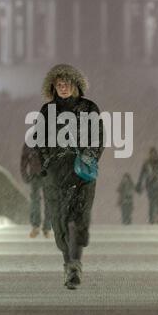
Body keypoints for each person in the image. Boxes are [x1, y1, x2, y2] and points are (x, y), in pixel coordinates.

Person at [35, 64, 104, 290]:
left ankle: (75, 265)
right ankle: (69, 264)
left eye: (67, 83)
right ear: (53, 86)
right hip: (56, 173)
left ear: (76, 84)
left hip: (81, 171)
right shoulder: (47, 110)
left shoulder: (89, 107)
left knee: (79, 218)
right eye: (59, 84)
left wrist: (90, 156)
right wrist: (46, 161)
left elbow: (98, 137)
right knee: (60, 221)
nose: (63, 87)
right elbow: (40, 139)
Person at [20, 144, 52, 238]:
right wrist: (24, 174)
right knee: (39, 201)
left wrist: (24, 173)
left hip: (44, 175)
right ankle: (40, 226)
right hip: (39, 175)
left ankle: (42, 227)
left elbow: (24, 159)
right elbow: (24, 159)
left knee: (41, 201)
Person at [136, 147, 158, 224]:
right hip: (150, 186)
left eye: (154, 153)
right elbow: (142, 175)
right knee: (152, 202)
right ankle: (151, 219)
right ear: (149, 154)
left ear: (156, 154)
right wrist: (139, 185)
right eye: (151, 153)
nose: (153, 155)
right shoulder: (146, 164)